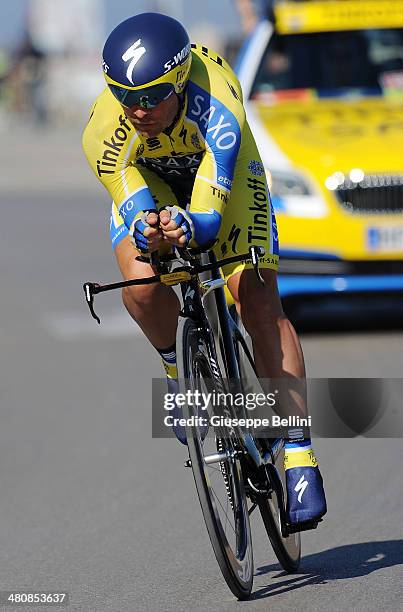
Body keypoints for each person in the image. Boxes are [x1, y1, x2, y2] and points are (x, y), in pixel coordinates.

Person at [82, 12, 326, 527]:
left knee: (256, 295)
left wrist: (193, 227)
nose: (137, 110)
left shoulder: (216, 97)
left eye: (150, 97)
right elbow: (131, 200)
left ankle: (300, 454)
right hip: (150, 176)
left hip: (223, 178)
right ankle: (178, 373)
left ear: (177, 81)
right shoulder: (105, 130)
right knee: (144, 285)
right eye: (126, 98)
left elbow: (211, 219)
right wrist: (148, 228)